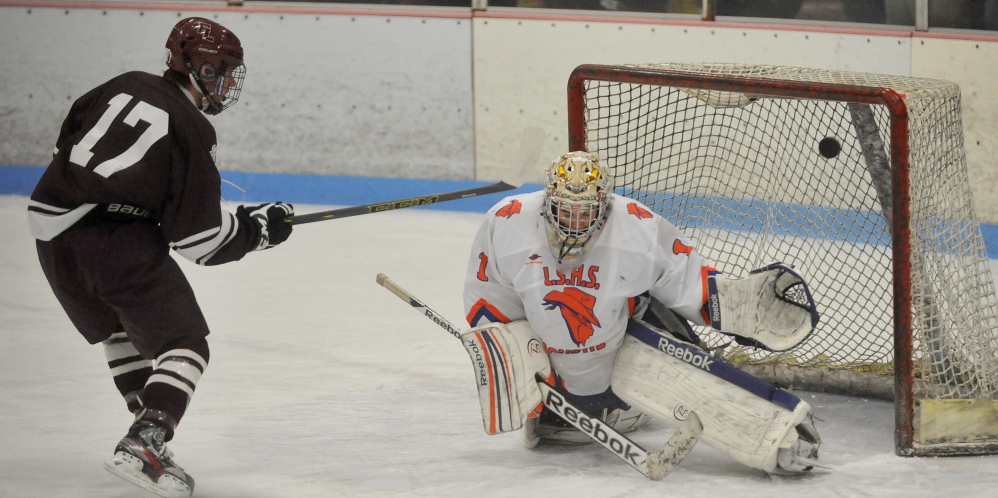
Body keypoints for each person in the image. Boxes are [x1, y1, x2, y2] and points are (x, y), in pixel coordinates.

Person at [27, 17, 294, 498]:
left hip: (51, 235)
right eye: (223, 70)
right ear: (198, 67)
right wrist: (256, 231)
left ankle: (145, 427)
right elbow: (201, 242)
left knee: (119, 331)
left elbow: (65, 144)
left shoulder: (121, 84)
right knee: (187, 344)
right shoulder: (193, 127)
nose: (228, 81)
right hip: (112, 241)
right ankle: (145, 441)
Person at [462, 151, 822, 474]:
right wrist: (512, 357)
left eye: (586, 211)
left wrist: (733, 306)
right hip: (549, 380)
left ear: (605, 205)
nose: (575, 223)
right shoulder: (508, 223)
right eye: (565, 211)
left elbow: (684, 279)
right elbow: (487, 299)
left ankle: (771, 432)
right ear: (547, 203)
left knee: (655, 305)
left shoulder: (634, 225)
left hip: (620, 352)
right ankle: (571, 411)